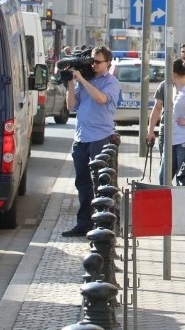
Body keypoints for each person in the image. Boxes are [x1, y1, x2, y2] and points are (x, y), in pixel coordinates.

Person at [62, 45, 121, 237]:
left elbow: (101, 99)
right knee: (83, 184)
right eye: (92, 61)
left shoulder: (111, 82)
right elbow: (71, 106)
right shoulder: (83, 81)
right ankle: (84, 223)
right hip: (81, 138)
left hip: (100, 138)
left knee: (102, 185)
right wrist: (70, 83)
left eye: (98, 62)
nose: (93, 65)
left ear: (108, 63)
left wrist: (82, 80)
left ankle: (105, 224)